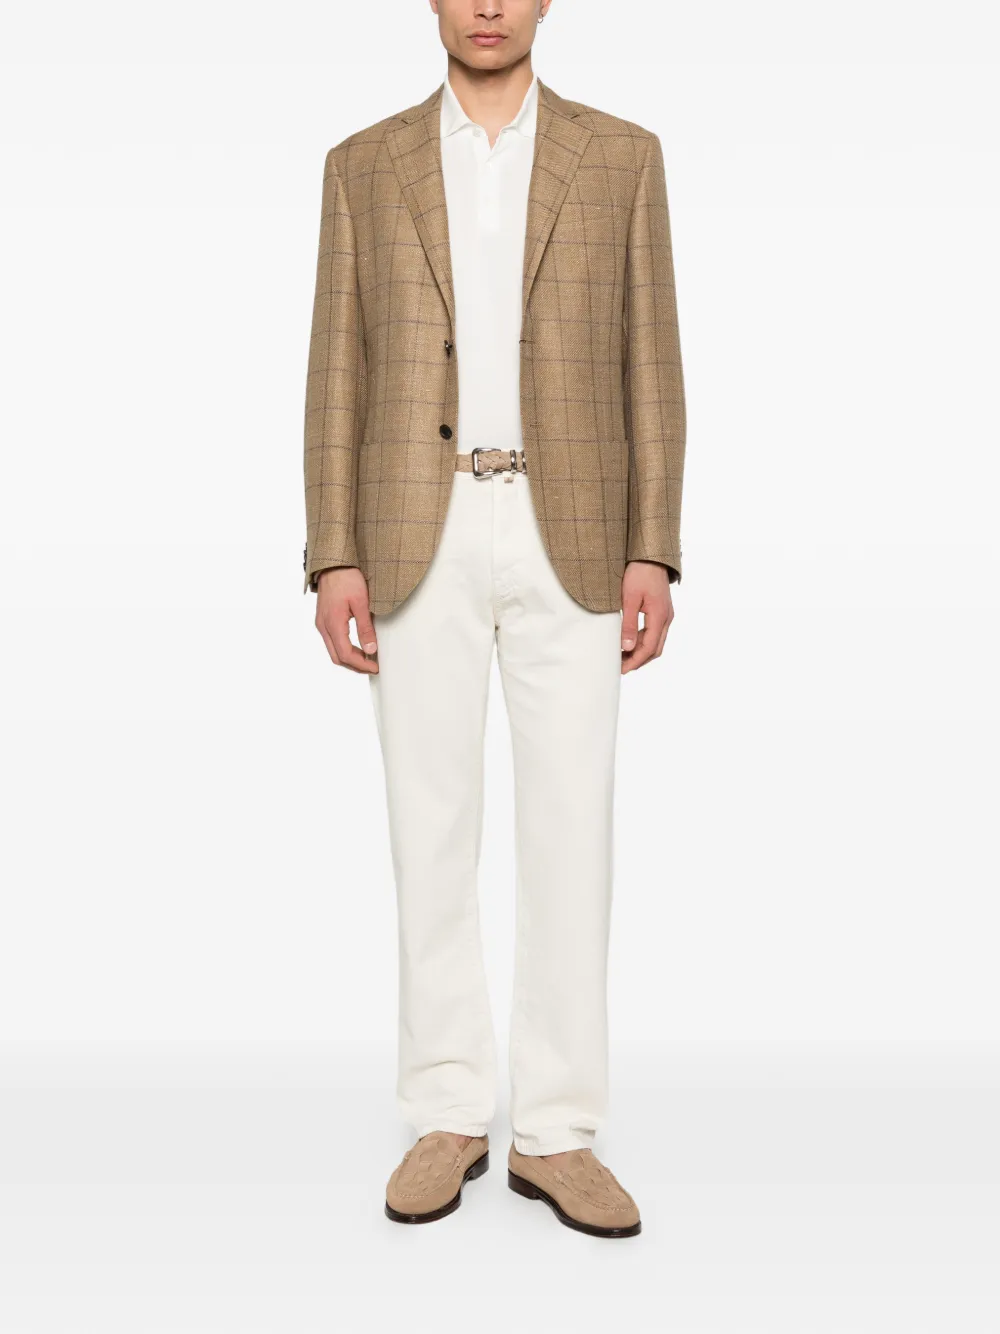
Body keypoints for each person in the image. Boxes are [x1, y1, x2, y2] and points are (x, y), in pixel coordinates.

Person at [303, 0, 685, 1239]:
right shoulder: (361, 165)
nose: (486, 5)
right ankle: (446, 1110)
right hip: (412, 526)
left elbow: (651, 360)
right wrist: (332, 551)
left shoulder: (621, 156)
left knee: (573, 825)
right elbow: (336, 369)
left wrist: (653, 542)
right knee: (431, 827)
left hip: (571, 527)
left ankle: (558, 1130)